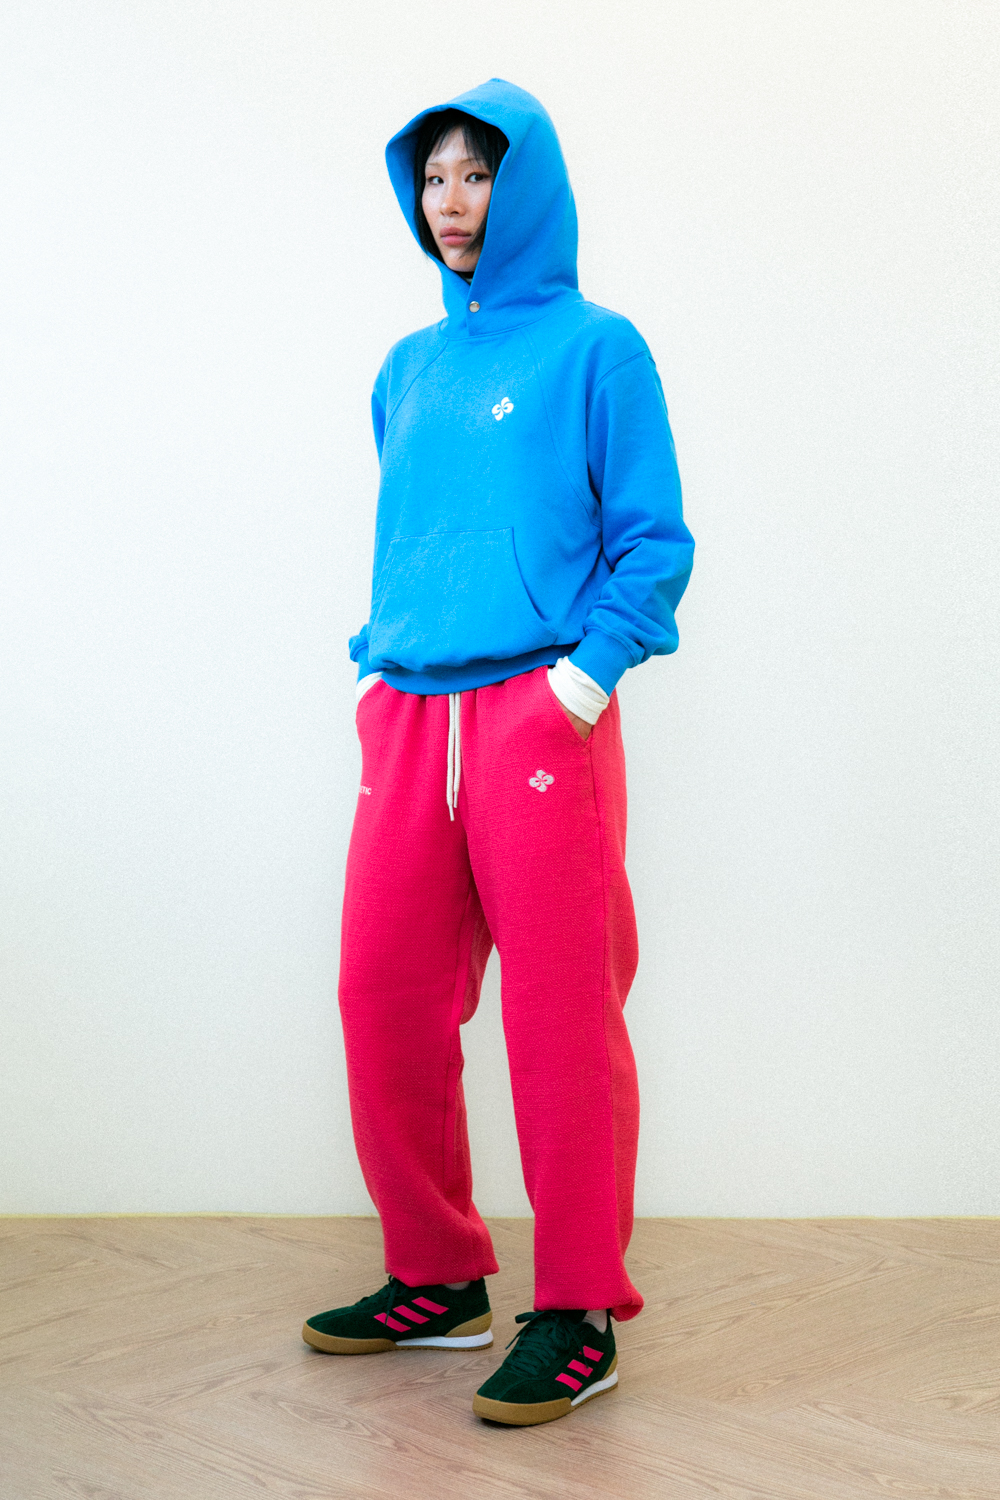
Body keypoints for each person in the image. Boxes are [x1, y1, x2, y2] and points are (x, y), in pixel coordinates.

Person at [302, 78, 694, 1427]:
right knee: (382, 996)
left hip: (540, 714)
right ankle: (436, 1275)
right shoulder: (405, 370)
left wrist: (578, 686)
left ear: (526, 188)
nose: (453, 201)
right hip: (410, 714)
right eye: (434, 178)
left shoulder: (600, 350)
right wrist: (378, 671)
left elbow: (653, 542)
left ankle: (579, 1311)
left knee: (561, 1016)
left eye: (478, 174)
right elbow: (416, 534)